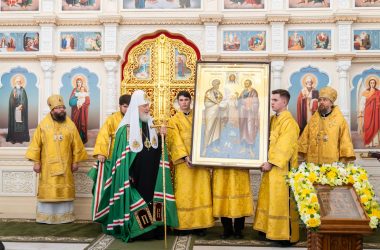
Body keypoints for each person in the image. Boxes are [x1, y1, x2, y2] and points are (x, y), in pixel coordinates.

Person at [88, 90, 178, 242]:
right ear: (136, 107)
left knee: (152, 198)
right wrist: (127, 174)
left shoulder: (152, 124)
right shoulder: (125, 129)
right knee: (139, 200)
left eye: (148, 105)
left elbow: (156, 150)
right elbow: (121, 156)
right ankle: (141, 230)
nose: (147, 108)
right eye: (144, 106)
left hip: (152, 172)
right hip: (135, 174)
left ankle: (156, 227)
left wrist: (162, 136)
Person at [25, 94, 87, 224]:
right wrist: (36, 162)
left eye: (63, 107)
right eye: (58, 108)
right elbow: (36, 144)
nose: (61, 110)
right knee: (49, 191)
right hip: (47, 167)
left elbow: (77, 144)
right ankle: (46, 218)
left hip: (66, 165)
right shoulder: (43, 125)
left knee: (64, 191)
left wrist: (76, 161)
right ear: (52, 110)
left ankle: (65, 217)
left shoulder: (70, 124)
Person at [253, 89, 300, 246]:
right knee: (269, 199)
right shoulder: (273, 119)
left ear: (284, 102)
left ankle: (284, 236)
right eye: (271, 100)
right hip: (269, 168)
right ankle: (268, 230)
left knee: (281, 200)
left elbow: (284, 146)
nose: (271, 102)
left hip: (281, 169)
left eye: (275, 100)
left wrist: (271, 162)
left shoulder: (290, 123)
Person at [167, 91, 214, 236]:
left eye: (186, 99)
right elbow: (174, 140)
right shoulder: (174, 120)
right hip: (184, 163)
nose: (184, 102)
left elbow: (207, 135)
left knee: (201, 192)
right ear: (178, 102)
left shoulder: (201, 117)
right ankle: (183, 225)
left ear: (190, 101)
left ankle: (201, 225)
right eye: (181, 100)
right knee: (185, 193)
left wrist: (201, 157)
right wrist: (185, 157)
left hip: (200, 161)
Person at [298, 86, 356, 164]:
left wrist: (343, 161)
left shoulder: (340, 120)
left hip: (332, 163)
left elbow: (345, 141)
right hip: (313, 163)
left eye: (325, 100)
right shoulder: (313, 120)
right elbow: (304, 138)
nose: (321, 102)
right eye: (320, 100)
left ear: (331, 102)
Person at [213, 169, 253, 239]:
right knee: (223, 198)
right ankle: (227, 229)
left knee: (240, 200)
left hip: (240, 169)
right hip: (221, 169)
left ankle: (238, 230)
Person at [93, 94, 131, 163]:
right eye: (125, 106)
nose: (127, 109)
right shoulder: (113, 118)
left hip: (132, 152)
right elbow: (103, 135)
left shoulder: (137, 118)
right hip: (116, 152)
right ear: (119, 106)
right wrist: (101, 152)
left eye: (130, 107)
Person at [238, 79, 260, 157]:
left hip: (250, 113)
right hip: (243, 113)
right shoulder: (243, 91)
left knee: (250, 130)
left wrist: (250, 106)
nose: (245, 84)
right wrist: (239, 100)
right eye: (245, 83)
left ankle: (251, 149)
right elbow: (239, 101)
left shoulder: (253, 91)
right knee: (243, 129)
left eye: (247, 83)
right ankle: (244, 147)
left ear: (250, 83)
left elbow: (256, 102)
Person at [202, 79, 223, 156]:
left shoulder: (219, 93)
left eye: (219, 84)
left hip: (217, 113)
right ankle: (204, 148)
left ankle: (213, 146)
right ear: (213, 84)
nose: (218, 86)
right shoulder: (208, 93)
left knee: (216, 130)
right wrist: (215, 104)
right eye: (217, 84)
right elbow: (206, 104)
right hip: (210, 113)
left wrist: (218, 105)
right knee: (209, 129)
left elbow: (220, 101)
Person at [6, 75, 30, 144]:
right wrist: (13, 98)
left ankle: (21, 139)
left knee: (21, 124)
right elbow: (11, 101)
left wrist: (21, 105)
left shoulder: (23, 90)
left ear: (21, 82)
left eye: (19, 82)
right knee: (14, 123)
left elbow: (25, 100)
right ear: (15, 82)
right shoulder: (13, 90)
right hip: (14, 110)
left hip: (21, 110)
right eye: (17, 82)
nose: (18, 83)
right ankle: (13, 138)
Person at [359, 76, 380, 147]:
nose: (372, 84)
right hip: (368, 111)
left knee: (375, 125)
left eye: (373, 83)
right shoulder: (366, 92)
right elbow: (362, 102)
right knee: (368, 125)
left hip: (376, 112)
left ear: (375, 83)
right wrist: (361, 110)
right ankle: (368, 143)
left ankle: (375, 143)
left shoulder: (378, 92)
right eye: (371, 82)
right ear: (369, 83)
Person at [69, 76, 90, 144]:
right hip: (76, 111)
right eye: (77, 82)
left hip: (83, 111)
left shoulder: (84, 90)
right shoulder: (74, 91)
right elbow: (70, 102)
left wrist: (82, 105)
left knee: (82, 123)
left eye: (80, 82)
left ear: (82, 83)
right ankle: (75, 139)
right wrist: (77, 101)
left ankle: (82, 138)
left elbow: (87, 101)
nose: (79, 83)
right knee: (75, 124)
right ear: (76, 83)